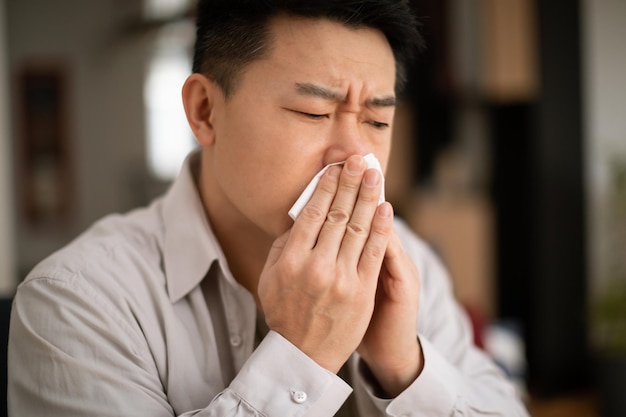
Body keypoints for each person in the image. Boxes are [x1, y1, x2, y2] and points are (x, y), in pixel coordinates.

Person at [8, 1, 530, 416]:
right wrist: (302, 354)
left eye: (376, 122)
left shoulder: (408, 270)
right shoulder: (77, 303)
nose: (354, 156)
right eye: (313, 111)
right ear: (205, 111)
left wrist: (405, 367)